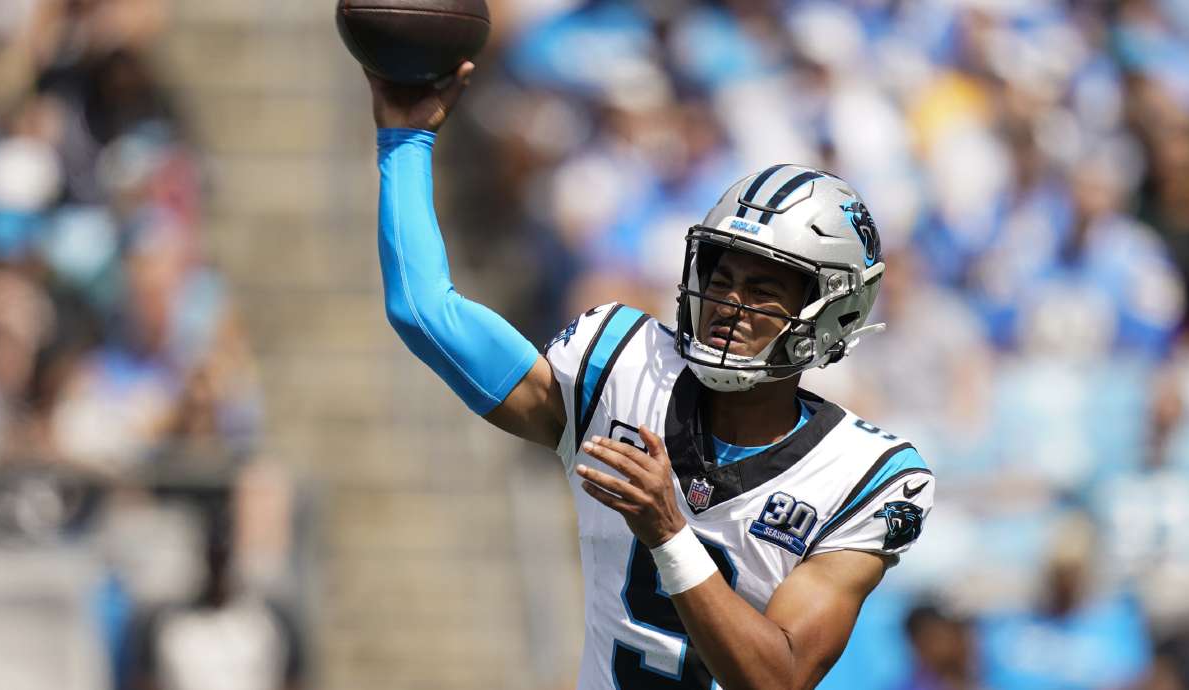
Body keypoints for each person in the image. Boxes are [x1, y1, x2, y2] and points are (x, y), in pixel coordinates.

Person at [369, 62, 935, 690]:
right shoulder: (623, 366)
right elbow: (424, 312)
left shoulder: (866, 476)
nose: (729, 304)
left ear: (833, 312)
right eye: (721, 277)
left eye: (763, 290)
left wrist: (669, 533)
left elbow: (778, 679)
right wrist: (405, 140)